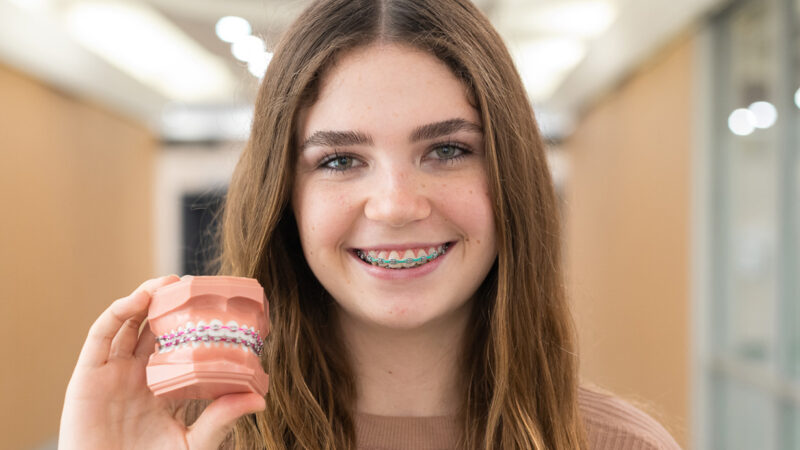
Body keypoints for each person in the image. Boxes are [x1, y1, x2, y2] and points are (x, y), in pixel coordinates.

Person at [59, 0, 683, 449]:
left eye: (447, 150)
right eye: (338, 160)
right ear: (286, 197)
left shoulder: (619, 444)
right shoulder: (193, 436)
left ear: (509, 176)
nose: (394, 205)